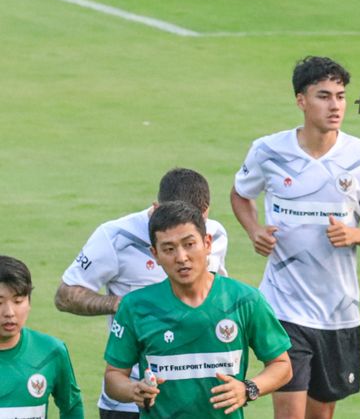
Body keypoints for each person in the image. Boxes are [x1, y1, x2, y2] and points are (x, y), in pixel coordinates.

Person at [230, 56, 360, 419]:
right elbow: (240, 194)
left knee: (320, 415)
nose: (335, 105)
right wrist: (254, 229)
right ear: (301, 100)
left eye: (340, 96)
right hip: (283, 306)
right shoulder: (268, 151)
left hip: (338, 311)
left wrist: (354, 234)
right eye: (324, 96)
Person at [55, 167, 228, 419]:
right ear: (156, 208)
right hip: (130, 401)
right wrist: (121, 304)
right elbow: (65, 295)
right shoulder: (115, 237)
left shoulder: (215, 234)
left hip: (196, 397)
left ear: (205, 214)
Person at [103, 200, 292, 418]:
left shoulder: (245, 300)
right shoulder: (136, 306)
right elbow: (114, 376)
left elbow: (282, 365)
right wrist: (132, 390)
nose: (181, 257)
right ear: (155, 254)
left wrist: (247, 389)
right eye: (169, 249)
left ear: (207, 243)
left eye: (189, 244)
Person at [0, 255, 84, 418]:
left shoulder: (51, 351)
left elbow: (72, 406)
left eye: (18, 301)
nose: (9, 313)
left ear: (29, 303)